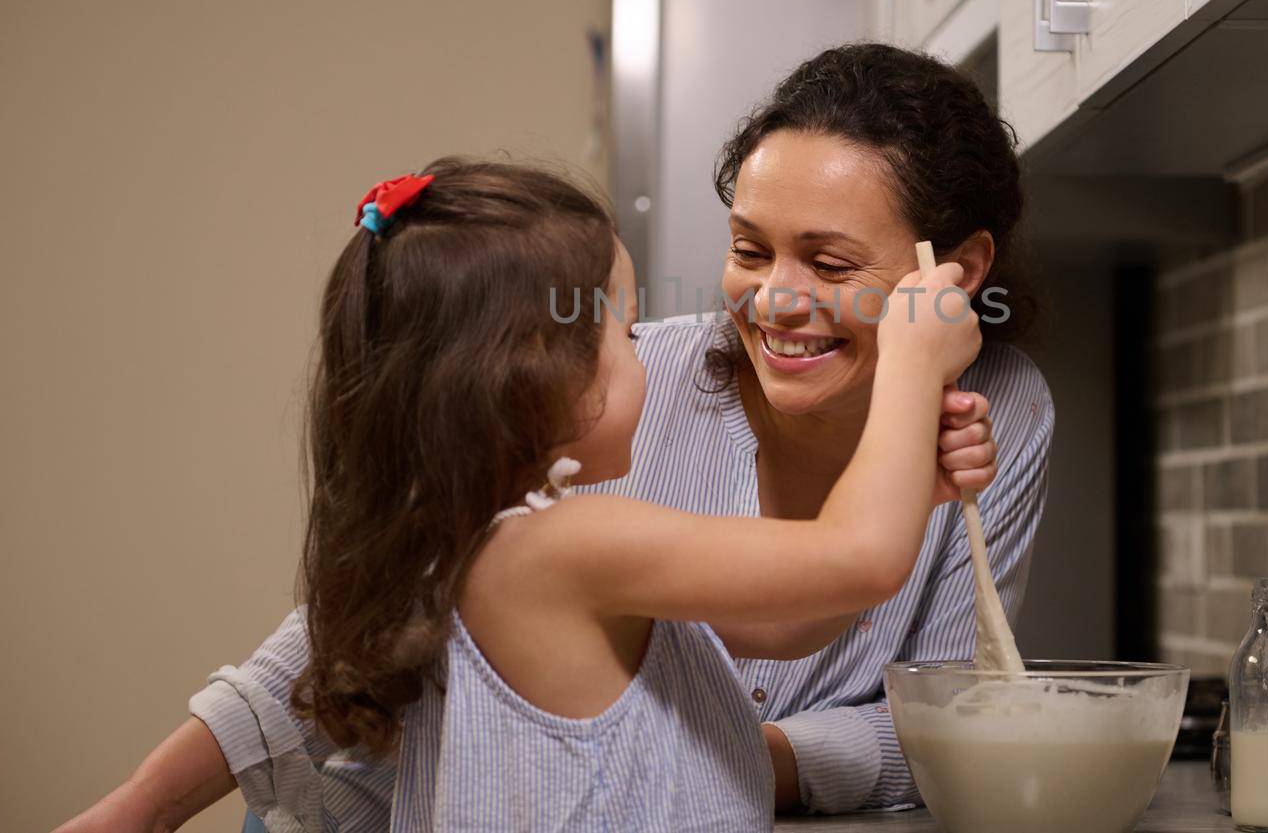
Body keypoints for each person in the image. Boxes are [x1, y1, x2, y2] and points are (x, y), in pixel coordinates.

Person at [65, 42, 1056, 824]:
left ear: (954, 271)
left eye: (831, 263)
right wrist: (139, 812)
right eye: (749, 250)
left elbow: (812, 630)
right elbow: (357, 629)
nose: (773, 302)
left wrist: (736, 760)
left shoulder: (1000, 413)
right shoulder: (586, 456)